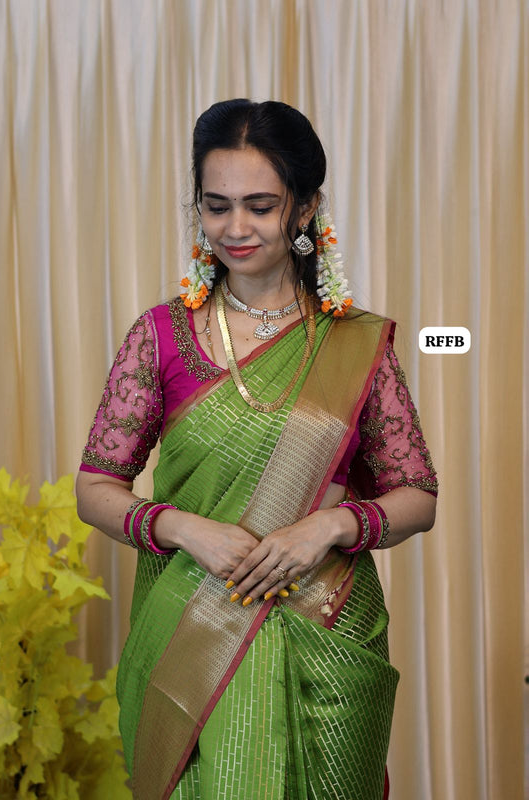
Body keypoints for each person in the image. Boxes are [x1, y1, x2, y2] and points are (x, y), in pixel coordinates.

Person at [76, 99, 437, 800]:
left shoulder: (355, 343)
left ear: (304, 208)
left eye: (260, 207)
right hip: (191, 631)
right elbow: (94, 489)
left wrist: (329, 526)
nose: (235, 228)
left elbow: (417, 497)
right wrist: (184, 529)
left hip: (324, 632)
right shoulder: (160, 335)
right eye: (216, 206)